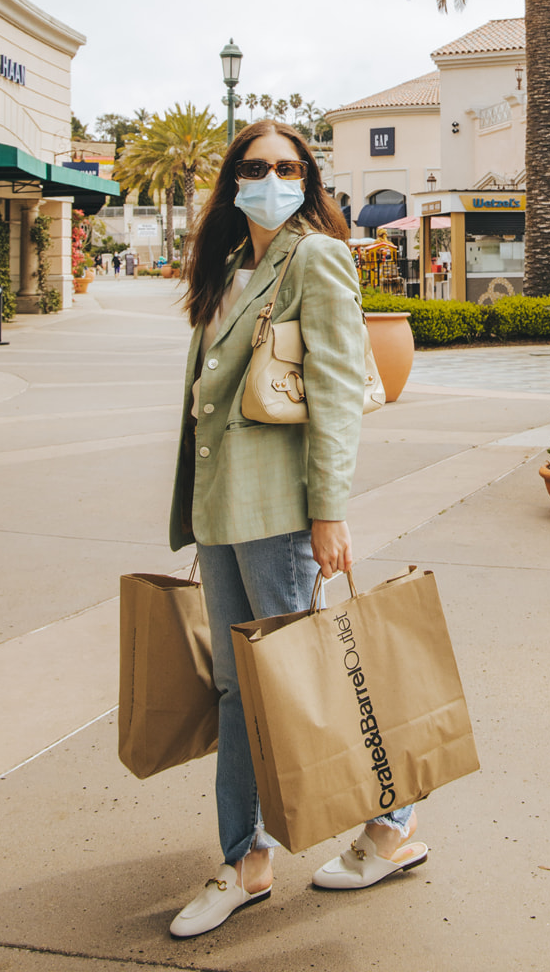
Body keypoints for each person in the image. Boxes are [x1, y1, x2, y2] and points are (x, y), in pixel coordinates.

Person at [166, 119, 426, 940]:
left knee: (300, 679)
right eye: (255, 166)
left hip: (280, 513)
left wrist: (328, 511)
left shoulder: (314, 255)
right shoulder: (228, 266)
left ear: (308, 180)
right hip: (222, 508)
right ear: (232, 180)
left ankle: (391, 822)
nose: (271, 178)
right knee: (241, 686)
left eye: (288, 166)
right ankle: (245, 859)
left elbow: (340, 389)